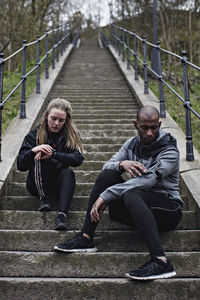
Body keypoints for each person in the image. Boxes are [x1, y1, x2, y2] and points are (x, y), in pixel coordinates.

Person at [54, 105, 183, 280]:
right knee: (108, 176)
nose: (150, 133)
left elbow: (148, 180)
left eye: (154, 127)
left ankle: (161, 261)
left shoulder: (170, 151)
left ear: (160, 124)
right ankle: (86, 237)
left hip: (168, 210)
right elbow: (106, 165)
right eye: (145, 128)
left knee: (131, 193)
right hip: (138, 209)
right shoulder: (131, 144)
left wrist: (105, 195)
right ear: (136, 125)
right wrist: (122, 165)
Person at [17, 98, 84, 230]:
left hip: (57, 185)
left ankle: (62, 215)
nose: (56, 123)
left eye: (61, 120)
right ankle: (43, 198)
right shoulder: (34, 135)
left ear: (66, 121)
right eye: (53, 118)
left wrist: (54, 154)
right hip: (36, 185)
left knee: (68, 172)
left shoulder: (69, 137)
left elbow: (78, 159)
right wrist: (33, 151)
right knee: (38, 156)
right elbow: (20, 165)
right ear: (47, 116)